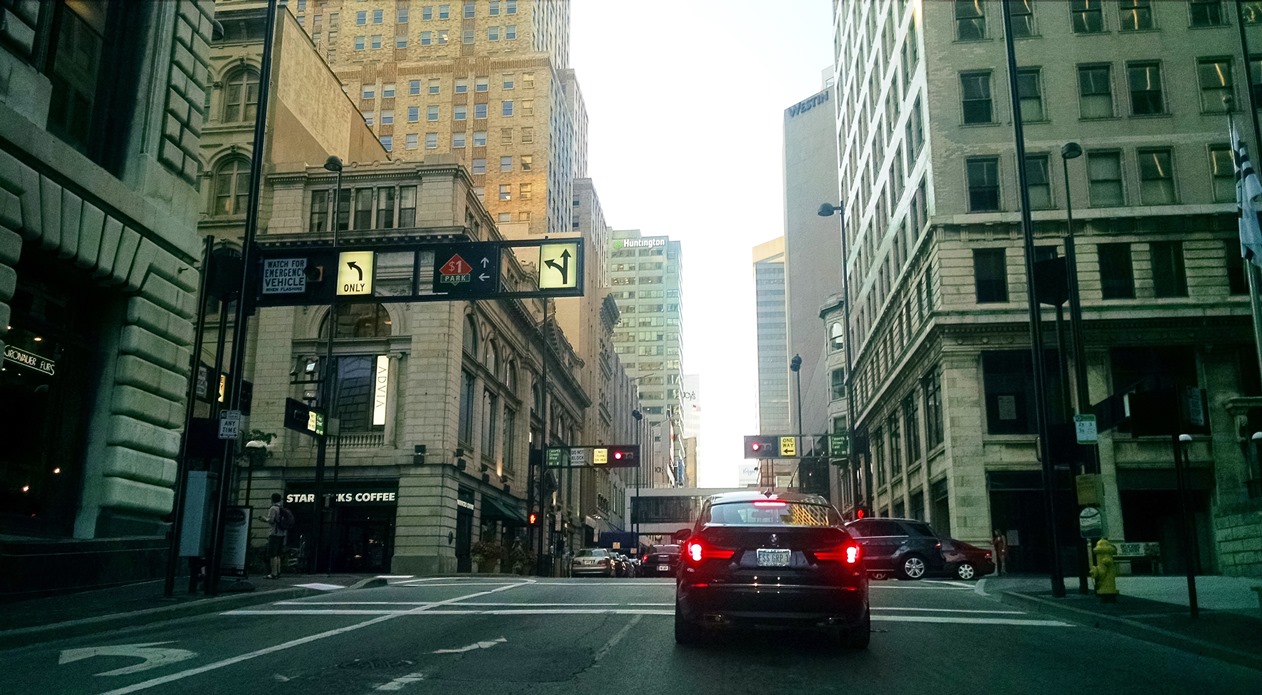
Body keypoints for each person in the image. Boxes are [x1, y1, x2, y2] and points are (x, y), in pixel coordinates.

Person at [259, 493, 286, 579]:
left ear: (272, 499)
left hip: (274, 533)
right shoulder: (281, 508)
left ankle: (273, 573)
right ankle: (278, 572)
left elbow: (271, 520)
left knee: (272, 554)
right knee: (278, 554)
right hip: (282, 533)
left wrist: (264, 519)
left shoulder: (273, 508)